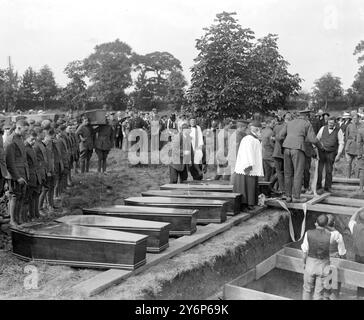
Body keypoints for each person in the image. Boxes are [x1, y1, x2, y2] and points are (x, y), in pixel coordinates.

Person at [278, 109, 321, 203]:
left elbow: (279, 136)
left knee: (288, 173)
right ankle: (296, 197)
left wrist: (284, 144)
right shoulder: (307, 124)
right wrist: (320, 147)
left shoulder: (289, 123)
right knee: (298, 173)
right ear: (307, 116)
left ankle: (288, 196)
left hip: (286, 148)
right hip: (298, 149)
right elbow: (313, 140)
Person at [301, 214, 346, 300]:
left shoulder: (308, 233)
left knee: (307, 290)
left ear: (316, 223)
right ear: (326, 225)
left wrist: (304, 263)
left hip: (310, 265)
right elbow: (341, 248)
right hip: (323, 267)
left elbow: (304, 251)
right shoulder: (332, 235)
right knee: (319, 293)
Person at [232, 121, 263, 211]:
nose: (261, 132)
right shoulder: (248, 139)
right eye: (260, 130)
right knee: (244, 186)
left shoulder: (254, 139)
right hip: (247, 166)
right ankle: (244, 204)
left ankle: (250, 203)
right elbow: (247, 153)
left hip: (252, 165)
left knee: (251, 185)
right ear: (256, 129)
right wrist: (248, 165)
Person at [5, 119, 29, 225]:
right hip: (15, 175)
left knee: (21, 196)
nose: (26, 133)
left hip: (23, 173)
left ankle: (18, 219)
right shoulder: (11, 141)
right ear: (18, 128)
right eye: (25, 130)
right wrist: (17, 177)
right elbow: (10, 162)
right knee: (14, 196)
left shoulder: (20, 138)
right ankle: (12, 221)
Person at [316, 116, 344, 193]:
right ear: (327, 122)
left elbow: (341, 142)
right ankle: (318, 186)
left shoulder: (339, 130)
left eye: (332, 123)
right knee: (319, 170)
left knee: (329, 170)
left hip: (331, 152)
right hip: (322, 152)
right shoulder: (322, 128)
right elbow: (317, 139)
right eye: (329, 122)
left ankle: (327, 187)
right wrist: (318, 148)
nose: (330, 124)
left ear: (335, 123)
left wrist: (339, 154)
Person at [325, 214, 346, 299]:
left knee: (326, 282)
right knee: (335, 283)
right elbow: (342, 252)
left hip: (322, 261)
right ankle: (333, 296)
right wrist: (344, 260)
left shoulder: (319, 233)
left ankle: (326, 295)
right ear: (334, 223)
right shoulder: (337, 235)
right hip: (334, 262)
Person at [24, 130, 42, 220]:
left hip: (36, 175)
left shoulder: (31, 148)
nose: (33, 141)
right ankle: (31, 216)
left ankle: (36, 213)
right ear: (26, 138)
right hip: (30, 177)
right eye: (32, 139)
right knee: (30, 197)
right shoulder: (25, 149)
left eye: (35, 139)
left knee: (36, 195)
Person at [348, 208, 364, 297]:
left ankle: (360, 295)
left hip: (358, 256)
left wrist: (357, 211)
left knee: (359, 276)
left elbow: (351, 220)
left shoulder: (354, 227)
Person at [33, 127, 49, 216]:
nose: (44, 135)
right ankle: (39, 209)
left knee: (44, 189)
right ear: (38, 134)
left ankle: (40, 208)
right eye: (42, 133)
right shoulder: (36, 145)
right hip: (39, 171)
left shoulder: (40, 143)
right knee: (41, 190)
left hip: (43, 169)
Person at [271, 111, 286, 194]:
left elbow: (272, 138)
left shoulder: (276, 127)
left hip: (277, 152)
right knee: (283, 172)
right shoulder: (286, 126)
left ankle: (280, 189)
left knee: (279, 172)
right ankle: (282, 189)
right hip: (284, 152)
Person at [345, 113, 359, 178]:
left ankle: (356, 179)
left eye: (356, 118)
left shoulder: (362, 126)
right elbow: (346, 137)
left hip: (358, 148)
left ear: (358, 119)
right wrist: (346, 146)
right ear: (352, 119)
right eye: (354, 118)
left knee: (357, 164)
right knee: (348, 163)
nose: (355, 120)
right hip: (349, 147)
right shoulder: (349, 126)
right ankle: (348, 178)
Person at [261, 118, 275, 182]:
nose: (274, 124)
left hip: (264, 154)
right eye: (273, 123)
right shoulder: (271, 132)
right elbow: (272, 144)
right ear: (268, 123)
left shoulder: (263, 131)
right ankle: (273, 186)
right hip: (270, 155)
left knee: (267, 173)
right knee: (277, 170)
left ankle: (266, 187)